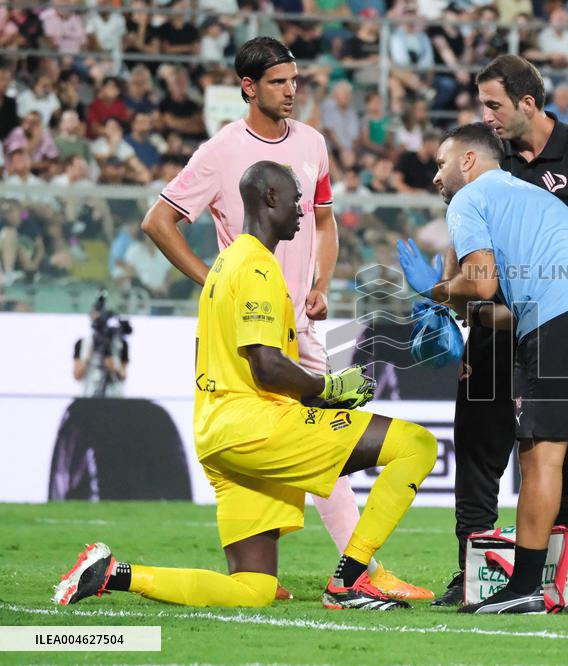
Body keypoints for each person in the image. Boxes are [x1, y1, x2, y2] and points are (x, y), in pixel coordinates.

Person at [53, 161, 436, 611]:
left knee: (251, 590)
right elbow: (266, 366)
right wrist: (328, 387)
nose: (301, 209)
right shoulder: (256, 268)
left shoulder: (224, 266)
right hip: (257, 425)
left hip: (218, 435)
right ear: (269, 198)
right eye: (295, 198)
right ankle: (349, 581)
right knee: (417, 445)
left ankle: (110, 573)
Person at [139, 37, 431, 601]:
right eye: (278, 82)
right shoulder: (221, 151)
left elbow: (324, 222)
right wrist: (213, 280)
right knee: (305, 429)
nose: (291, 90)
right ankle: (356, 574)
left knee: (315, 435)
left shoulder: (313, 143)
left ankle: (291, 573)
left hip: (301, 321)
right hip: (254, 325)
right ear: (248, 88)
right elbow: (159, 221)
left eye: (295, 80)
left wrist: (320, 283)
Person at [402, 54, 568, 606]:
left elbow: (480, 283)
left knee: (541, 455)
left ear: (471, 160)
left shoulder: (470, 197)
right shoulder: (537, 196)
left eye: (442, 164)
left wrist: (435, 292)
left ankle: (524, 586)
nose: (436, 176)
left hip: (562, 321)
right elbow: (548, 277)